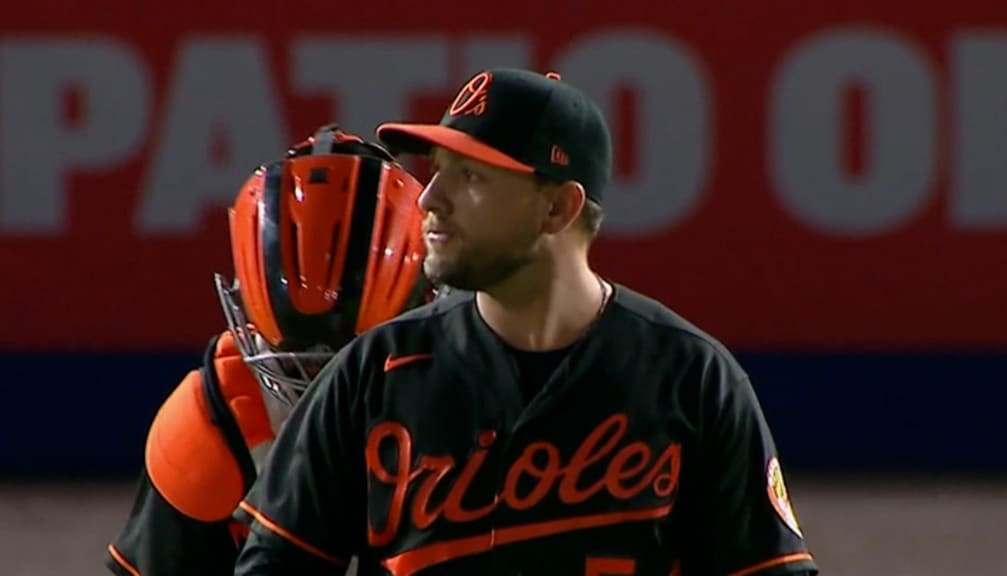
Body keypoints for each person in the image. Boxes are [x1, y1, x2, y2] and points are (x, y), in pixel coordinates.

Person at [234, 68, 819, 576]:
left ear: (557, 208)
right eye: (436, 170)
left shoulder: (690, 378)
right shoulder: (372, 374)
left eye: (470, 176)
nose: (429, 199)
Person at [104, 124, 431, 576]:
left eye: (347, 359)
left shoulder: (475, 395)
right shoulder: (213, 422)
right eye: (300, 361)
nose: (325, 392)